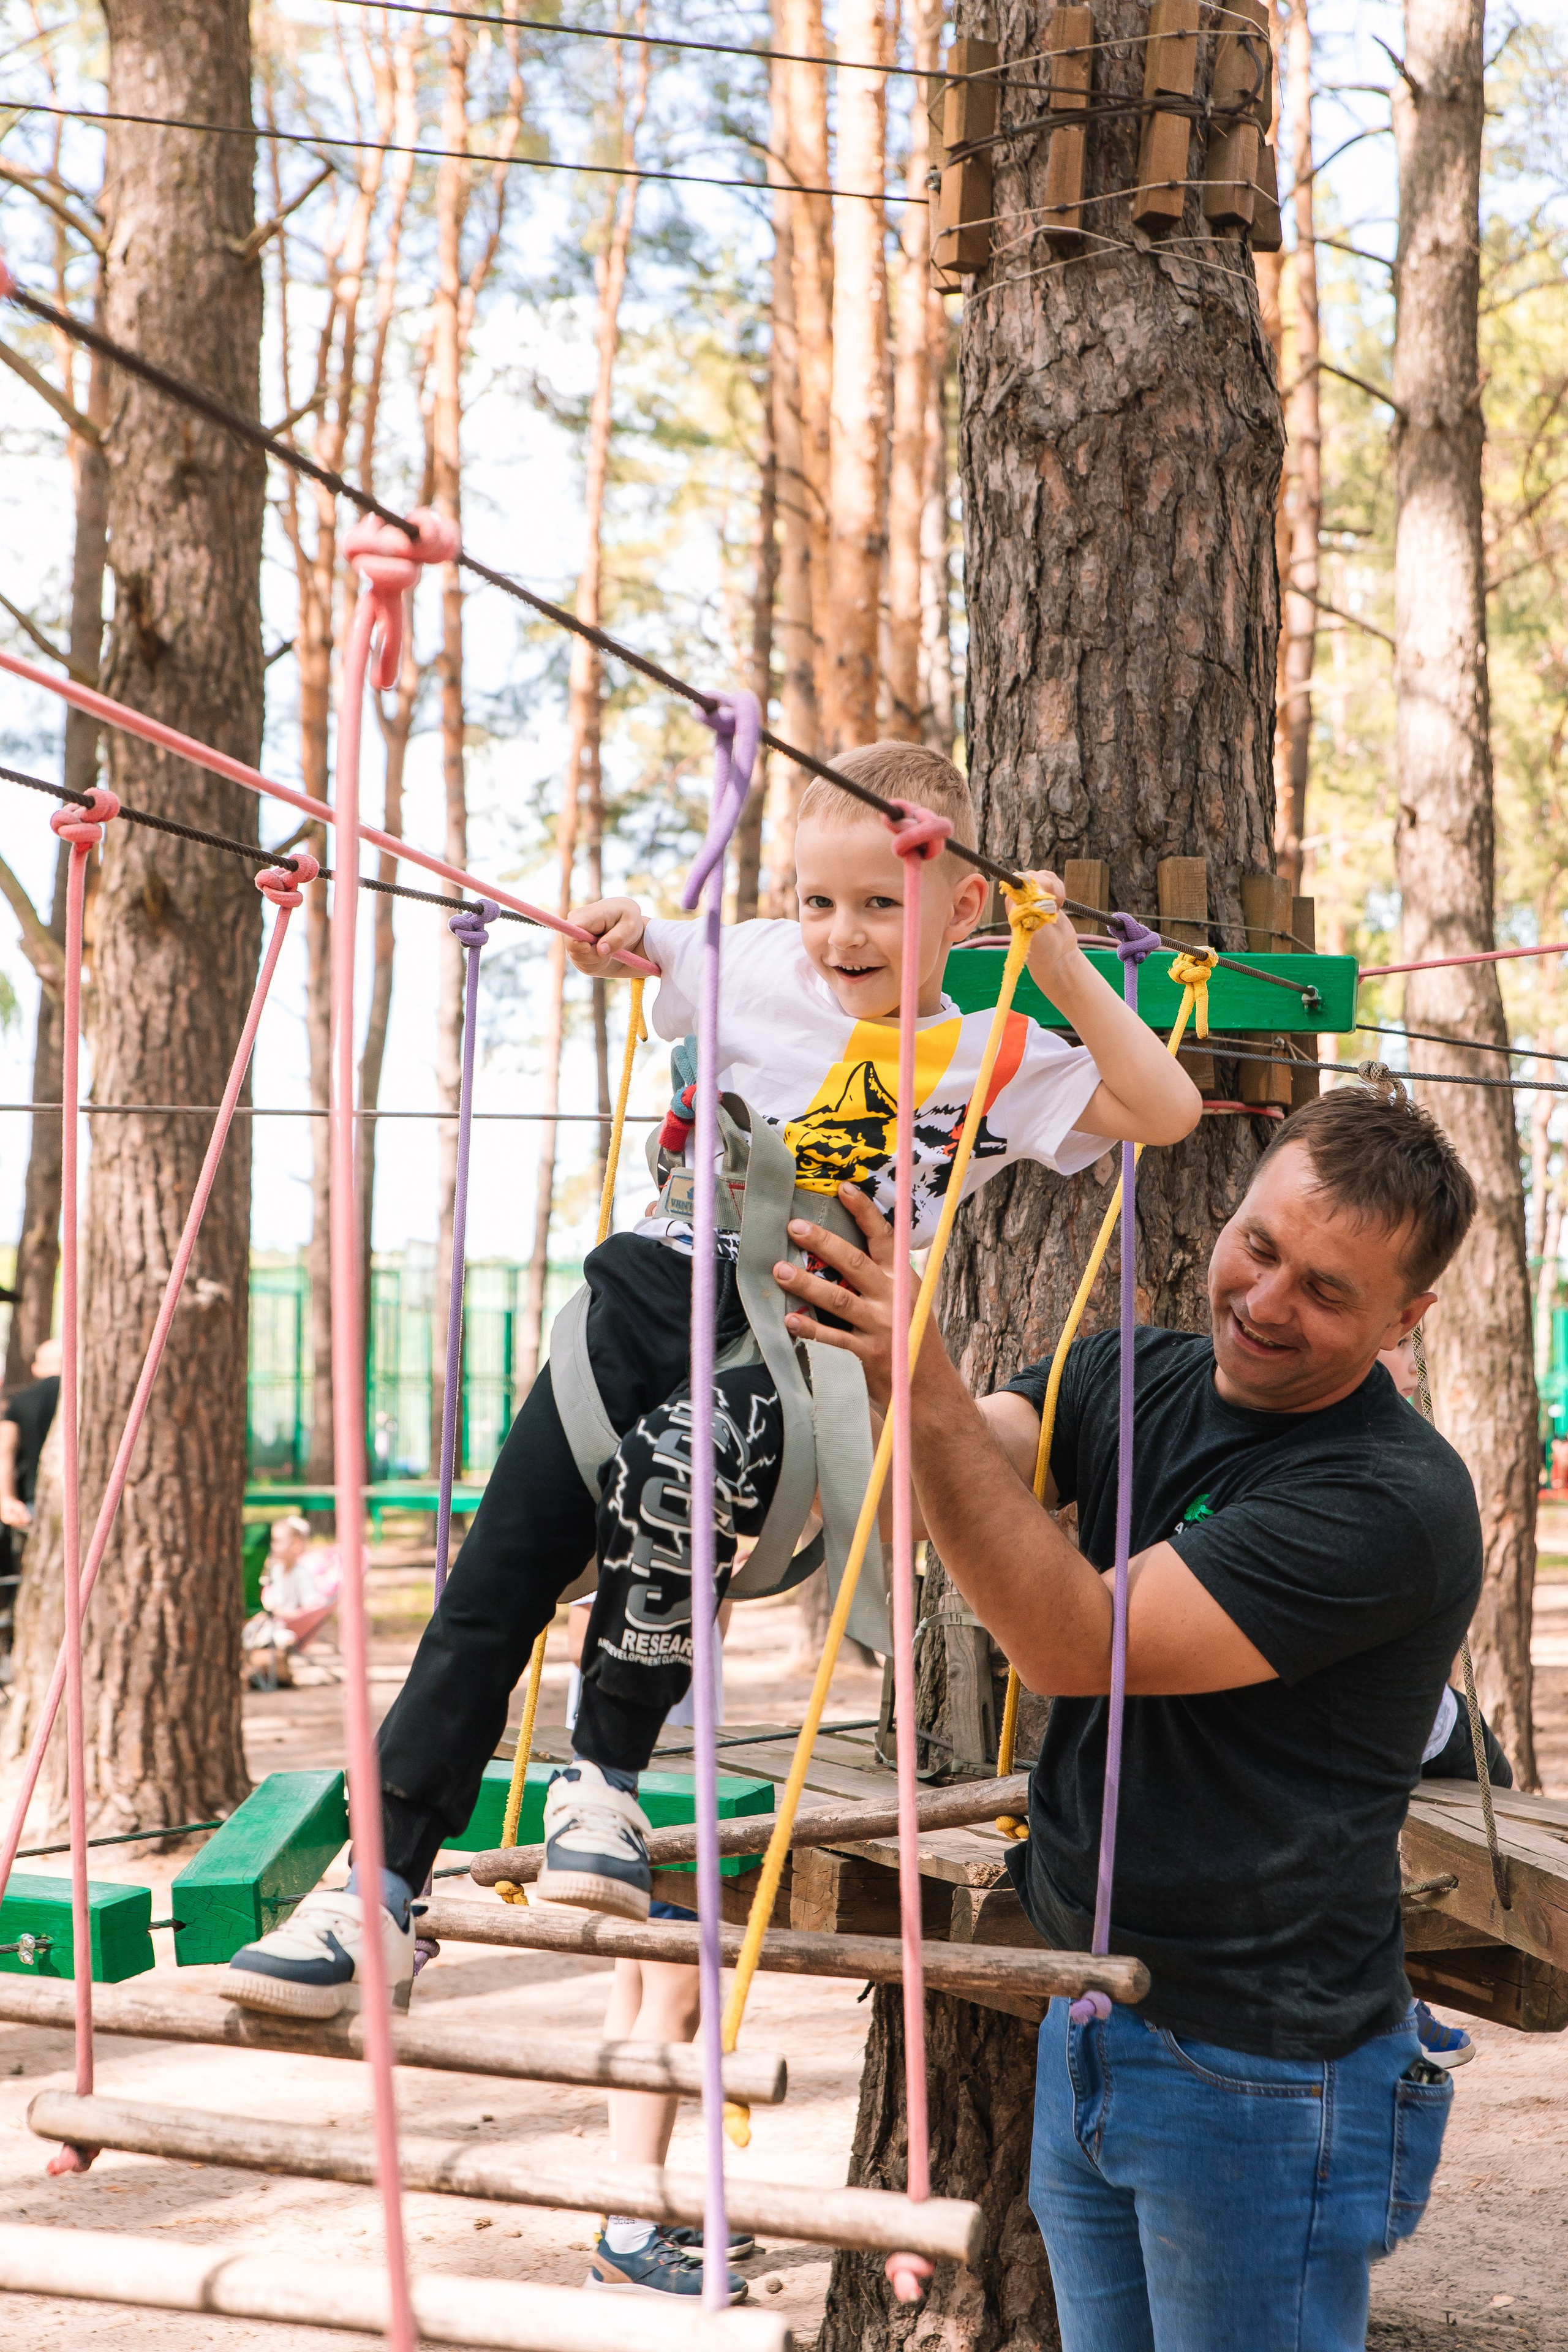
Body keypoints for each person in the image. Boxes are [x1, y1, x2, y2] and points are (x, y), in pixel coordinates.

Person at [223, 741, 1200, 2019]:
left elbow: (1165, 1106)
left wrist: (1057, 958)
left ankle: (606, 1784)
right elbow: (644, 943)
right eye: (813, 899)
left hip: (800, 1339)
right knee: (490, 1585)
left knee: (674, 1477)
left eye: (876, 905)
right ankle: (375, 1897)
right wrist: (612, 934)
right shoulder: (748, 965)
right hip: (652, 1291)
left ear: (962, 908)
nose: (837, 937)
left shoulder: (999, 1057)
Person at [773, 1079, 1482, 2352]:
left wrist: (916, 1385)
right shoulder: (1123, 1375)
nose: (1265, 1303)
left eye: (1325, 1291)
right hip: (1097, 2015)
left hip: (1268, 2074)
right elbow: (943, 1473)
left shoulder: (1386, 1499)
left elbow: (1066, 1644)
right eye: (1258, 1247)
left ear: (1404, 1318)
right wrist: (828, 1370)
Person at [1373, 1322, 1513, 2071]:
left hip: (1427, 1726)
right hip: (1380, 1731)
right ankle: (1391, 1994)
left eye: (1404, 1350)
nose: (1402, 1370)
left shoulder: (1408, 1461)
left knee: (1494, 1793)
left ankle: (1420, 1968)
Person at [241, 1517, 341, 1690]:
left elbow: (311, 1609)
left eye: (277, 1541)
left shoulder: (302, 1575)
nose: (272, 1547)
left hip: (285, 1627)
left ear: (295, 1545)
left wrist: (278, 1613)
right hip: (268, 1623)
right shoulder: (276, 1570)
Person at [0, 1336, 62, 1536]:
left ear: (36, 1369)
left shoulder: (20, 1401)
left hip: (37, 1502)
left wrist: (7, 1499)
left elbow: (4, 1454)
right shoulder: (94, 1396)